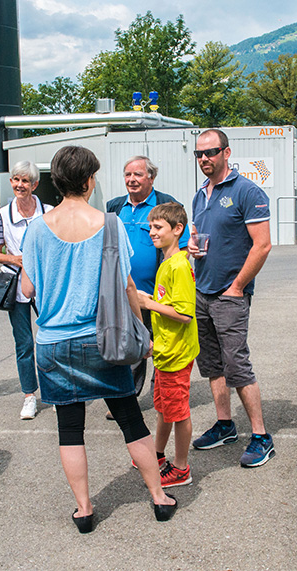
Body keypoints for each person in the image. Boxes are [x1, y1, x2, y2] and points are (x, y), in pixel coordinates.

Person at [20, 145, 177, 533]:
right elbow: (126, 285)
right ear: (90, 181)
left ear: (56, 182)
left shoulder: (38, 228)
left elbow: (27, 287)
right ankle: (159, 497)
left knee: (70, 429)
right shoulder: (110, 223)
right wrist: (142, 333)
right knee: (130, 420)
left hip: (53, 342)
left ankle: (85, 510)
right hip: (102, 338)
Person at [188, 128, 275, 468]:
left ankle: (260, 436)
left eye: (210, 152)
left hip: (229, 295)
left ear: (226, 152)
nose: (204, 159)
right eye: (199, 154)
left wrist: (238, 285)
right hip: (202, 292)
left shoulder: (247, 191)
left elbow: (262, 245)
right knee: (211, 365)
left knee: (237, 364)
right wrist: (193, 248)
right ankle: (225, 425)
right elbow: (203, 238)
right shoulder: (200, 195)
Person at [105, 155, 187, 398]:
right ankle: (128, 397)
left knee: (161, 344)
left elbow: (179, 250)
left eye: (138, 174)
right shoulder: (113, 207)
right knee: (131, 347)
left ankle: (161, 392)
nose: (131, 180)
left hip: (157, 293)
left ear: (151, 177)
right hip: (125, 292)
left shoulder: (167, 205)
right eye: (128, 175)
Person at [136, 202, 199, 488]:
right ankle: (158, 455)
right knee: (163, 408)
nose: (152, 232)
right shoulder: (167, 262)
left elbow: (185, 314)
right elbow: (168, 302)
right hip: (165, 351)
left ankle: (181, 468)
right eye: (150, 227)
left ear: (177, 230)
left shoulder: (179, 266)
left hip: (177, 354)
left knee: (178, 412)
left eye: (158, 227)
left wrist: (148, 303)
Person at [0, 161, 52, 420]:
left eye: (25, 181)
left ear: (35, 184)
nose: (20, 185)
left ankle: (53, 391)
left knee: (50, 340)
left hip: (46, 285)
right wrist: (14, 259)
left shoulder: (49, 212)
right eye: (16, 179)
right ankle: (29, 395)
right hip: (15, 284)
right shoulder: (2, 215)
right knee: (24, 343)